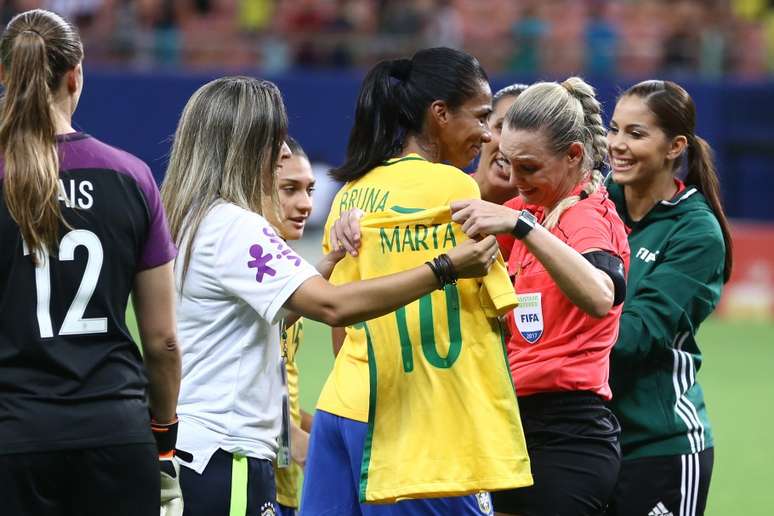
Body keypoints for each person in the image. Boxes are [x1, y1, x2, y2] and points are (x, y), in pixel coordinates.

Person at [159, 75, 499, 516]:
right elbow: (332, 306)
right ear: (242, 144)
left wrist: (328, 262)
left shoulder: (190, 219)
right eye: (274, 140)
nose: (284, 152)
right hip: (227, 455)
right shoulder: (234, 226)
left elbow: (250, 316)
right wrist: (446, 267)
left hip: (196, 447)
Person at [301, 47, 532, 516]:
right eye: (482, 117)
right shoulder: (457, 188)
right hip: (420, 424)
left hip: (342, 406)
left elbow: (340, 324)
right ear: (440, 114)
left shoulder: (351, 194)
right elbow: (500, 314)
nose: (487, 134)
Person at [0, 9, 182, 516]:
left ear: (4, 75)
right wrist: (164, 440)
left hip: (15, 438)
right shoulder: (131, 176)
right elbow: (163, 341)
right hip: (115, 433)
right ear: (76, 75)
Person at [450, 77, 631, 516]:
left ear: (573, 156)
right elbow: (446, 233)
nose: (514, 180)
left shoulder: (587, 218)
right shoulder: (534, 211)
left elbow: (601, 294)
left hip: (569, 436)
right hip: (512, 427)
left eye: (528, 168)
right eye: (508, 164)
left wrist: (522, 229)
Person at [604, 80, 733, 516]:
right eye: (614, 129)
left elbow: (637, 337)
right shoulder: (596, 202)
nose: (617, 145)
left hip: (660, 446)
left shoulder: (696, 232)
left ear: (675, 146)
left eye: (636, 134)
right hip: (589, 441)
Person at [273, 137, 317, 516]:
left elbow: (278, 377)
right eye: (289, 189)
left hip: (283, 486)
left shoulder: (285, 266)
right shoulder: (250, 272)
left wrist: (311, 427)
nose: (305, 204)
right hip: (249, 474)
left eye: (309, 189)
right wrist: (293, 441)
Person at [472, 83, 528, 205]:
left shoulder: (547, 219)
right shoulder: (445, 194)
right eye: (501, 127)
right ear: (483, 128)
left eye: (525, 137)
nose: (510, 146)